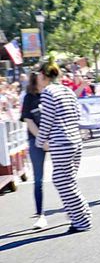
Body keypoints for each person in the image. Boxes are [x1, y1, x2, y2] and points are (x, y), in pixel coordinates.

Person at [35, 60, 91, 234]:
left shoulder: (48, 93)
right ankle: (79, 217)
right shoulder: (67, 90)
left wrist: (40, 141)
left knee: (63, 182)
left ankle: (82, 219)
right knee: (68, 181)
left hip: (61, 142)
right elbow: (77, 113)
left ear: (43, 75)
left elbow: (47, 121)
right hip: (74, 139)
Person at [20, 69, 47, 230]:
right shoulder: (29, 98)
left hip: (56, 138)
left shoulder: (51, 94)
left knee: (64, 176)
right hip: (35, 140)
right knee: (38, 179)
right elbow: (28, 120)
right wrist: (41, 140)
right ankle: (40, 215)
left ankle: (72, 210)